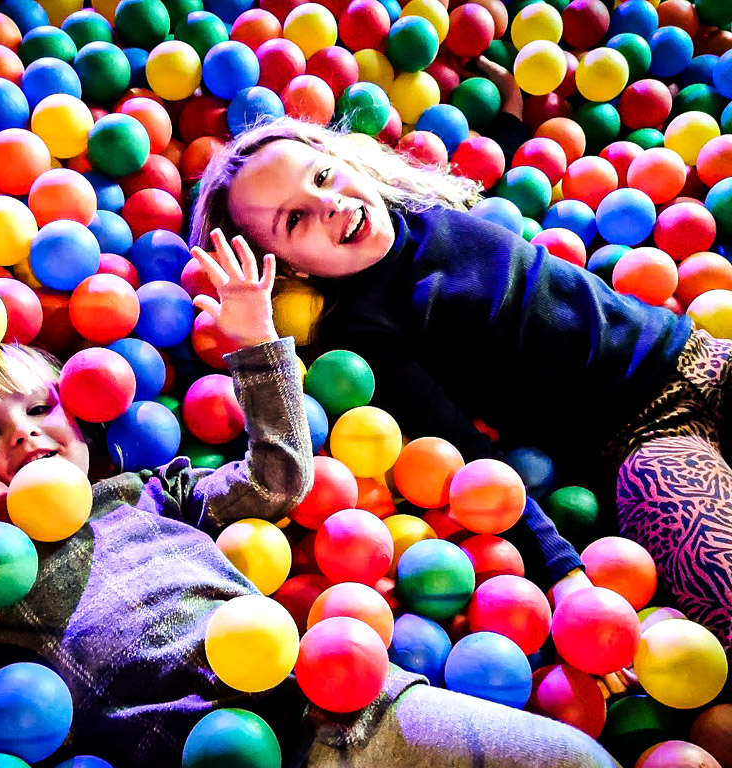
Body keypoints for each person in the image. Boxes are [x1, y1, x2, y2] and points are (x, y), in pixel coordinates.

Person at [0, 242, 617, 767]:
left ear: (90, 413)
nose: (24, 435)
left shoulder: (152, 493)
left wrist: (257, 341)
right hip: (197, 755)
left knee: (574, 759)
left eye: (38, 409)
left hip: (339, 707)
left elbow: (277, 479)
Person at [189, 115, 732, 651]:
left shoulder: (423, 206)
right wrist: (564, 577)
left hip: (698, 352)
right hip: (640, 437)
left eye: (323, 177)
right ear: (288, 269)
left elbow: (511, 125)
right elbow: (468, 461)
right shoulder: (363, 339)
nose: (327, 203)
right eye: (295, 220)